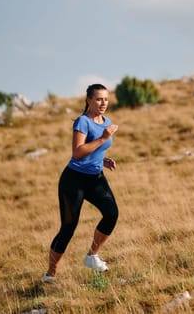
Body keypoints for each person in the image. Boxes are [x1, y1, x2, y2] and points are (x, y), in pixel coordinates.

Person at [42, 84, 119, 282]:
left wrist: (102, 159)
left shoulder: (106, 121)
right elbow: (77, 152)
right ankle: (50, 273)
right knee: (68, 226)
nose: (103, 103)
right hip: (73, 180)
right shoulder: (82, 122)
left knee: (111, 214)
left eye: (106, 99)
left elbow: (94, 150)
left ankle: (92, 255)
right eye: (99, 99)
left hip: (95, 178)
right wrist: (103, 138)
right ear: (89, 100)